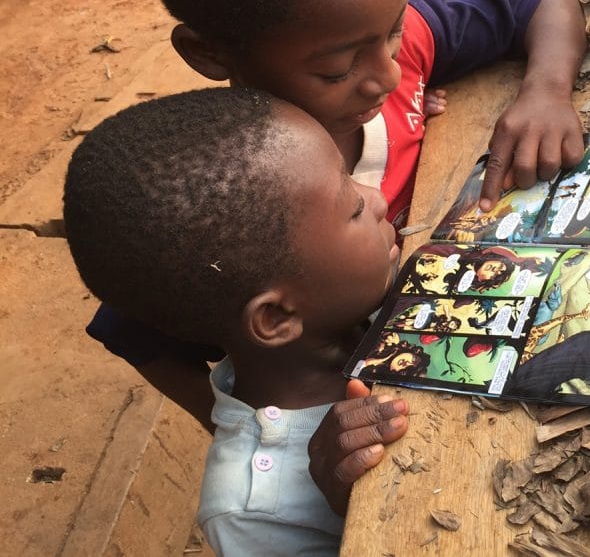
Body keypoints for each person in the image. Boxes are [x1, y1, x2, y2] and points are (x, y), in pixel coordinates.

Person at [85, 0, 587, 430]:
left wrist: (545, 91)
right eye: (336, 69)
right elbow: (138, 338)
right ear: (211, 53)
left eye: (395, 28)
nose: (390, 76)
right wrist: (245, 431)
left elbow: (543, 0)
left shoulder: (390, 46)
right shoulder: (225, 201)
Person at [64, 87, 412, 554]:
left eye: (351, 179)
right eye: (352, 208)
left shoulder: (353, 308)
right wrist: (355, 511)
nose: (376, 199)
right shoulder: (253, 512)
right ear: (276, 317)